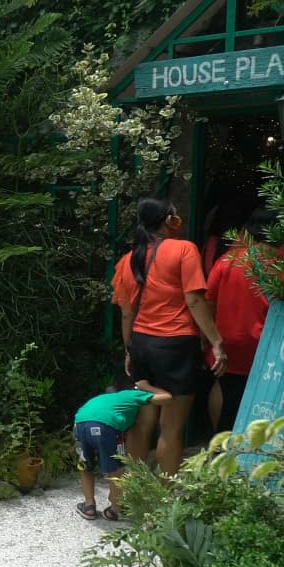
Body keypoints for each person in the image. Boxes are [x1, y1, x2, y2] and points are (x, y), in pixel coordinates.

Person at [111, 197, 229, 479]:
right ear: (167, 220)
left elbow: (127, 314)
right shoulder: (184, 249)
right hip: (177, 346)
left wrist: (129, 350)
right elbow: (194, 300)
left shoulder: (128, 260)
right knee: (172, 428)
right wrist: (216, 341)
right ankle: (165, 499)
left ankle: (131, 492)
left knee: (142, 423)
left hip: (141, 344)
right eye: (175, 215)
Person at [207, 208, 282, 433]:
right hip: (267, 345)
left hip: (228, 341)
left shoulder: (227, 261)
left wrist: (211, 338)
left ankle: (218, 444)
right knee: (263, 397)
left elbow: (209, 300)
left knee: (223, 388)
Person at [74, 380, 172, 520]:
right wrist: (146, 387)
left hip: (80, 424)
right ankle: (115, 510)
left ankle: (89, 506)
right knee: (116, 468)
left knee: (85, 465)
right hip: (107, 427)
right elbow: (167, 398)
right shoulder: (132, 395)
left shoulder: (102, 398)